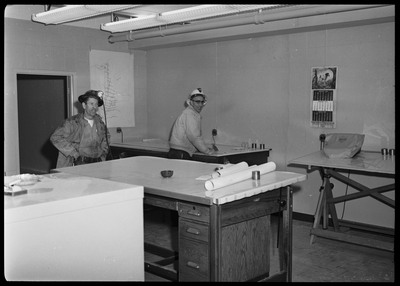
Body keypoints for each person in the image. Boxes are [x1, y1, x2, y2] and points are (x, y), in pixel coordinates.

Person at [50, 90, 110, 168]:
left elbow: (106, 139)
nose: (94, 107)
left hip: (96, 164)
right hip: (76, 164)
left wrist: (103, 155)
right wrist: (74, 154)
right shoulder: (72, 122)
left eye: (96, 104)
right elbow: (55, 137)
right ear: (84, 105)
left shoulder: (100, 123)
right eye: (91, 104)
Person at [168, 88, 215, 160]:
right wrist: (207, 151)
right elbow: (194, 137)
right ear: (191, 102)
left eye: (202, 102)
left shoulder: (192, 113)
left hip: (179, 152)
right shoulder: (189, 114)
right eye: (197, 102)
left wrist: (203, 148)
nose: (200, 105)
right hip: (181, 153)